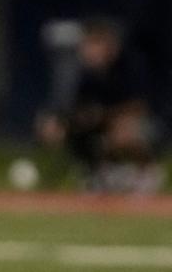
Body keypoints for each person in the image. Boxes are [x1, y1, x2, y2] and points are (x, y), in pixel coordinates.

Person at [35, 17, 164, 193]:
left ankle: (146, 173)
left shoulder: (130, 65)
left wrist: (102, 115)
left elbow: (138, 107)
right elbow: (72, 105)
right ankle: (98, 174)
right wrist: (57, 122)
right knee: (64, 129)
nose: (88, 50)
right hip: (101, 123)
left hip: (147, 124)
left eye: (94, 44)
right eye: (87, 44)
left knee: (122, 132)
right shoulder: (85, 73)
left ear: (109, 45)